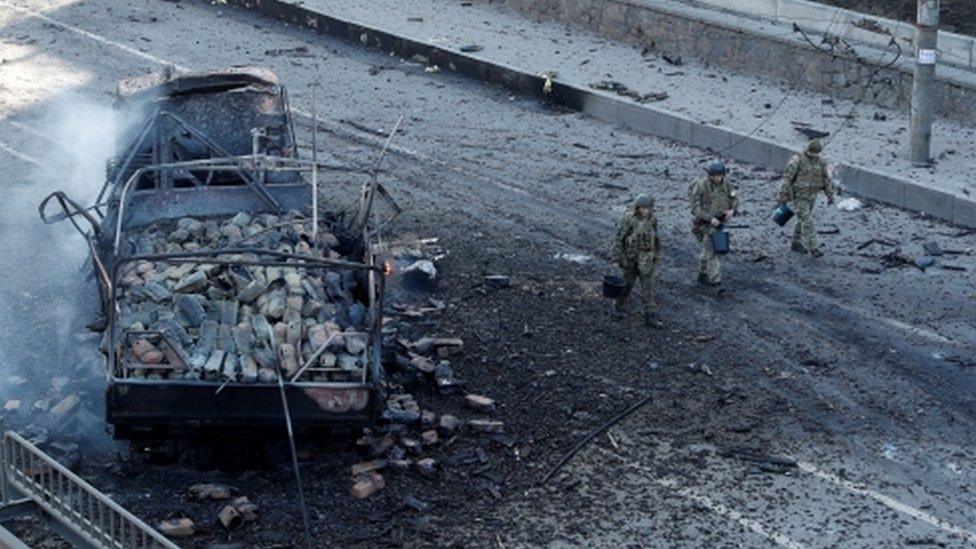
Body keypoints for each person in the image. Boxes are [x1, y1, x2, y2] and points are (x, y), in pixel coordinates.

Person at [778, 139, 836, 257]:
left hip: (812, 195)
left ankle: (795, 242)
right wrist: (782, 194)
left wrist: (830, 195)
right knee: (807, 220)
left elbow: (826, 180)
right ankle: (813, 247)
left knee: (801, 219)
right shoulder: (797, 160)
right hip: (799, 196)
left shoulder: (821, 162)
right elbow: (786, 178)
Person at [611, 194, 662, 327]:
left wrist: (656, 254)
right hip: (631, 258)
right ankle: (618, 306)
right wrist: (616, 258)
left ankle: (649, 315)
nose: (645, 211)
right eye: (642, 208)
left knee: (648, 287)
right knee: (627, 284)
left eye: (648, 208)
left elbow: (655, 238)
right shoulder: (628, 220)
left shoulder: (652, 220)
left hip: (646, 258)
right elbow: (618, 239)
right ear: (637, 208)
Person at [689, 161, 739, 290]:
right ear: (710, 175)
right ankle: (716, 281)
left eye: (721, 175)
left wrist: (732, 210)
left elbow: (734, 199)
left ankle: (702, 273)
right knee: (713, 251)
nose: (719, 178)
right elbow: (695, 208)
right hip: (704, 224)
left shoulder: (726, 185)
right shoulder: (701, 186)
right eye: (716, 176)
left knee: (708, 251)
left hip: (721, 222)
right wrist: (710, 218)